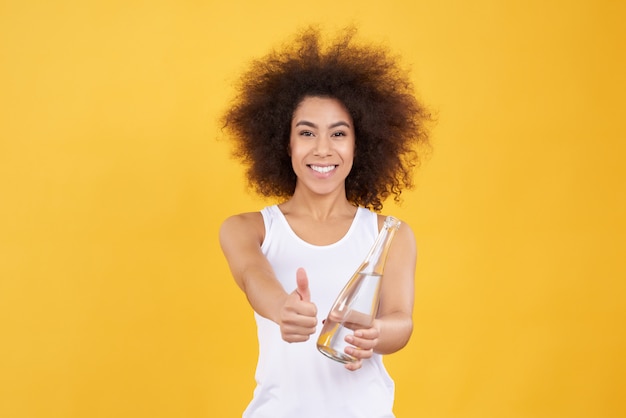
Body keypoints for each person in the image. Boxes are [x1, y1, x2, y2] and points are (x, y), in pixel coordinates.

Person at [218, 26, 432, 418]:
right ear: (285, 143)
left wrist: (377, 335)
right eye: (306, 133)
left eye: (338, 133)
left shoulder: (389, 235)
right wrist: (283, 307)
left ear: (359, 143)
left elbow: (401, 320)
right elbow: (253, 276)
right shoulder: (248, 228)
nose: (322, 149)